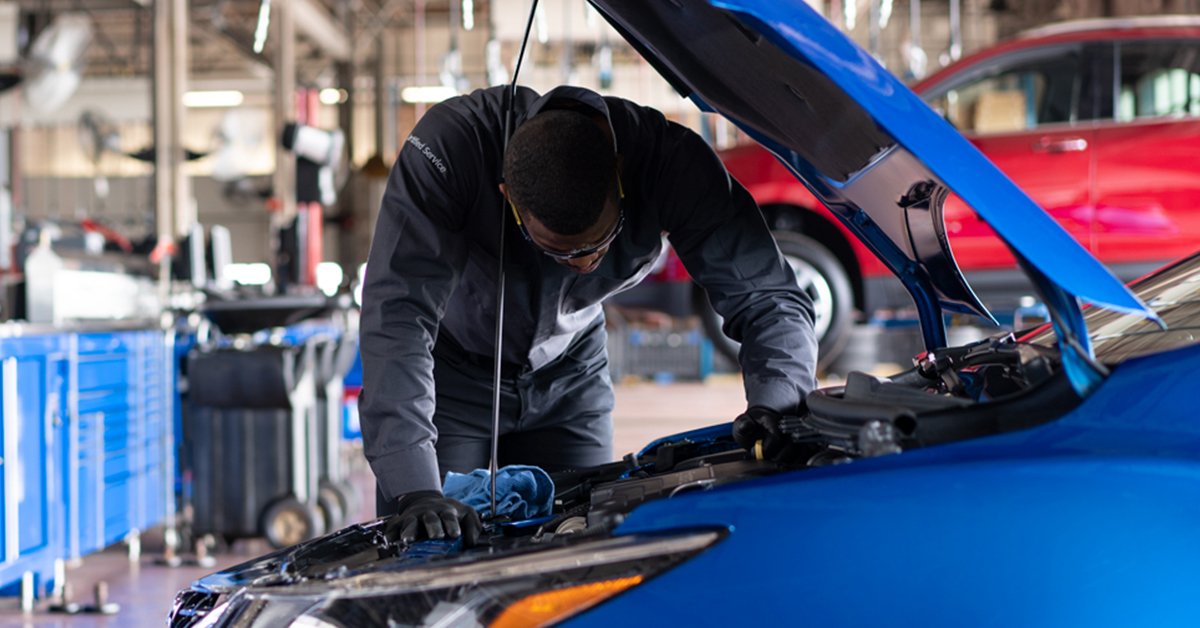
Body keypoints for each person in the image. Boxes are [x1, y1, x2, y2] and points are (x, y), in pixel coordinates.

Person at [360, 84, 818, 545]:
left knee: (587, 549)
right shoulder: (452, 147)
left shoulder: (670, 164)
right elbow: (397, 314)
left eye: (597, 243)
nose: (581, 263)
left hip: (572, 377)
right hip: (451, 376)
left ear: (620, 176)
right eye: (559, 251)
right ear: (508, 197)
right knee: (434, 549)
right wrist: (413, 487)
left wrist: (777, 403)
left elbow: (767, 296)